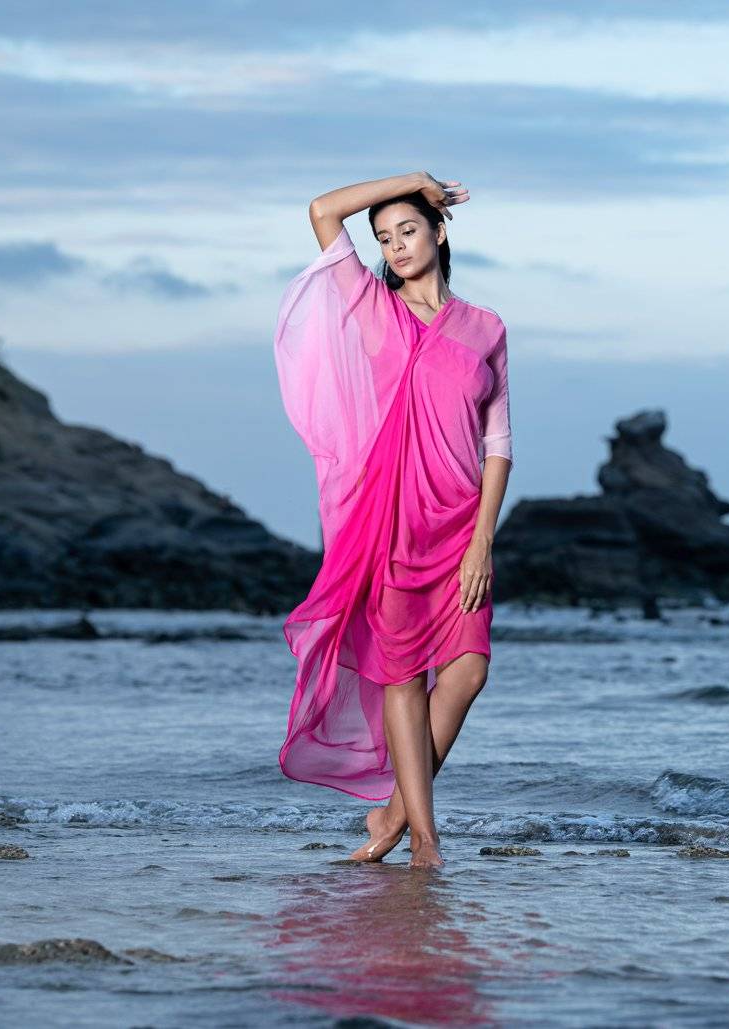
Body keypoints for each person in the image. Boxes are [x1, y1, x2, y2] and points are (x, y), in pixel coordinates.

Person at [273, 171, 513, 869]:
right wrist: (413, 180)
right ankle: (424, 841)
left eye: (408, 229)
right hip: (390, 522)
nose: (397, 245)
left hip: (460, 522)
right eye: (384, 237)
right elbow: (322, 210)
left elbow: (498, 444)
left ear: (439, 231)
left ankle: (395, 813)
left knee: (467, 673)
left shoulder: (486, 327)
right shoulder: (370, 306)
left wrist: (483, 541)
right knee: (402, 678)